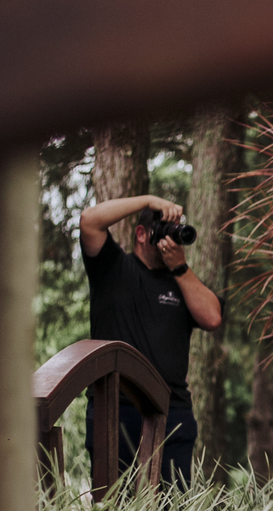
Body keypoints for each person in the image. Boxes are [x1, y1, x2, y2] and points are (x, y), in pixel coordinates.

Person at [78, 194, 222, 486]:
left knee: (173, 510)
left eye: (175, 230)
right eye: (164, 229)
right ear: (142, 234)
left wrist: (180, 268)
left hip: (172, 412)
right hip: (115, 409)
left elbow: (212, 318)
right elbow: (89, 221)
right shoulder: (112, 267)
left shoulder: (182, 281)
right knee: (113, 506)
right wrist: (148, 201)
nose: (171, 238)